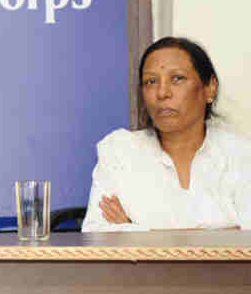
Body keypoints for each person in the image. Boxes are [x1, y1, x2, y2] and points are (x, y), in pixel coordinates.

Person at [82, 37, 251, 232]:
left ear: (209, 87)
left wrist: (135, 231)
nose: (162, 93)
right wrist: (219, 233)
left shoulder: (241, 155)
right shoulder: (120, 151)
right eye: (151, 81)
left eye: (177, 78)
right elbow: (96, 233)